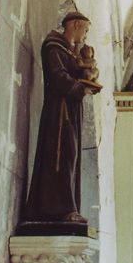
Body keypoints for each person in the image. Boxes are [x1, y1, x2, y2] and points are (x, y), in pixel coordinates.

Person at [24, 12, 101, 223]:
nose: (85, 35)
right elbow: (57, 76)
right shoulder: (54, 46)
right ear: (75, 25)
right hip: (60, 112)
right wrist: (79, 88)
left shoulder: (69, 51)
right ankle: (58, 209)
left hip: (70, 110)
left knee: (71, 155)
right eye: (85, 29)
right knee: (62, 155)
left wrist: (88, 76)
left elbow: (78, 73)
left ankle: (68, 207)